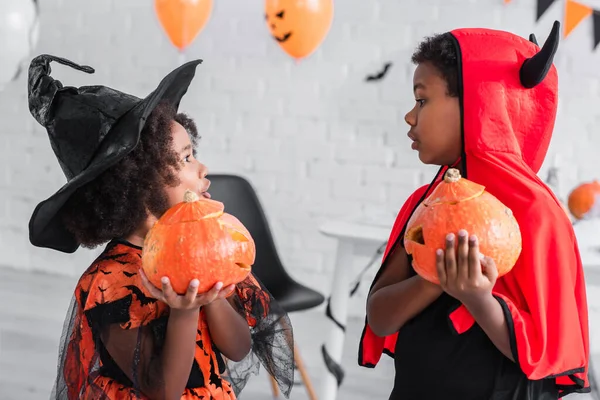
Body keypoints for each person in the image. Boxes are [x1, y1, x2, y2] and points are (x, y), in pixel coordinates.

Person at [27, 55, 295, 399]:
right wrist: (185, 311)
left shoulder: (204, 249)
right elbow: (162, 390)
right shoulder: (111, 282)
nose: (202, 168)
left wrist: (209, 296)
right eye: (185, 158)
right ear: (139, 183)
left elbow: (239, 348)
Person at [358, 21, 590, 399]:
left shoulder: (537, 214)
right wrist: (433, 278)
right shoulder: (426, 205)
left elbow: (541, 355)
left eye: (422, 100)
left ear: (479, 104)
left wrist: (477, 297)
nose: (410, 117)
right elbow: (380, 317)